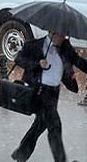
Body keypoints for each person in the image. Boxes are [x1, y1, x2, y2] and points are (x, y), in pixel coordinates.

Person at [11, 31, 87, 162]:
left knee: (40, 124)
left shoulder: (65, 47)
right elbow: (19, 60)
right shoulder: (35, 45)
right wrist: (37, 63)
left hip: (53, 92)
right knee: (55, 125)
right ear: (52, 32)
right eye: (61, 34)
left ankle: (21, 153)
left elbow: (77, 61)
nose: (64, 37)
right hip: (39, 91)